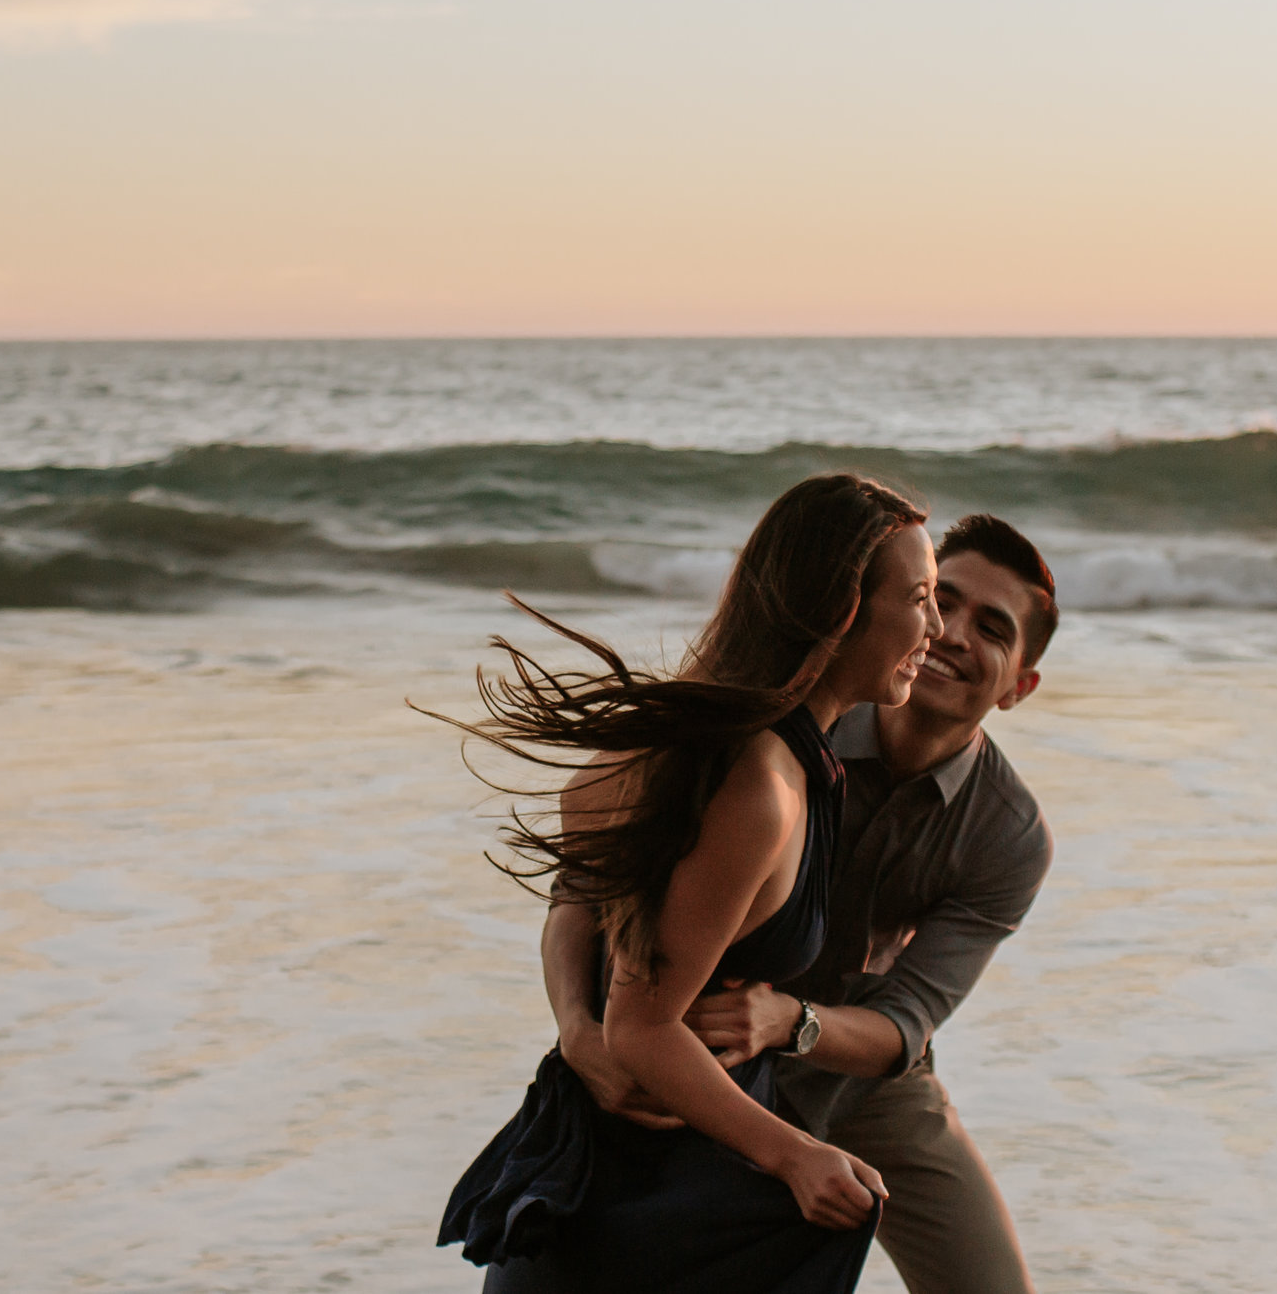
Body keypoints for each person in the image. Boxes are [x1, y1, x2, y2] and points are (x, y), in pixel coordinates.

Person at [433, 473, 941, 1294]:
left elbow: (584, 888)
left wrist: (578, 1025)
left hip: (674, 1179)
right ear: (843, 607)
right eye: (920, 597)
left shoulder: (744, 747)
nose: (937, 626)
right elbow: (641, 1022)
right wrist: (796, 1153)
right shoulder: (759, 783)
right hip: (640, 1210)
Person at [542, 514, 1060, 1294]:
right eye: (939, 600)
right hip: (699, 1054)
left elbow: (906, 1022)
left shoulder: (1009, 834)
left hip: (865, 1081)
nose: (950, 632)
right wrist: (577, 1029)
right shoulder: (796, 717)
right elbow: (586, 880)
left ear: (1019, 684)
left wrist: (791, 1019)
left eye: (992, 627)